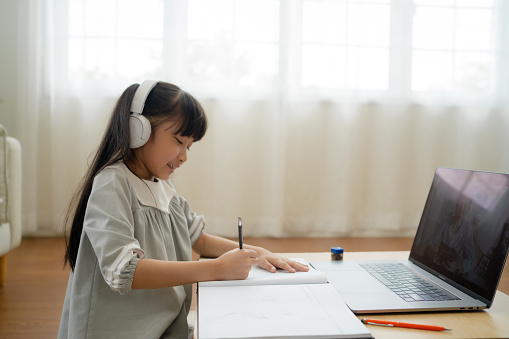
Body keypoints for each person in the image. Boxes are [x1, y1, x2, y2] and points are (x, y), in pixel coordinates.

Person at [58, 80, 308, 339]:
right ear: (138, 129)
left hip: (164, 328)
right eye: (178, 141)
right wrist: (216, 269)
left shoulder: (165, 190)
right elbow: (126, 271)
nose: (184, 156)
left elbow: (200, 240)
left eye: (189, 146)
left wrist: (259, 253)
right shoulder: (112, 183)